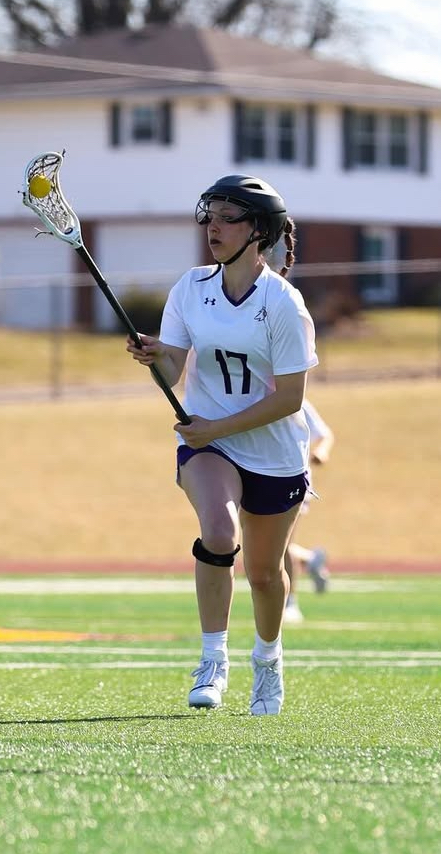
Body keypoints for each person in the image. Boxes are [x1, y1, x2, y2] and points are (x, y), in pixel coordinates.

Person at [127, 174, 318, 714]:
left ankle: (268, 661)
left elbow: (290, 399)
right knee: (217, 532)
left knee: (264, 574)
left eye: (228, 217)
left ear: (257, 231)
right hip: (210, 447)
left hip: (274, 452)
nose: (213, 225)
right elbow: (173, 366)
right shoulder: (191, 287)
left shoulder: (284, 304)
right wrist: (154, 355)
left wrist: (216, 428)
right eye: (209, 214)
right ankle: (213, 661)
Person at [282, 398, 334, 624]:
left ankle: (290, 603)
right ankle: (310, 559)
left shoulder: (296, 398)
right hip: (258, 478)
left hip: (292, 481)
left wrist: (321, 452)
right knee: (268, 546)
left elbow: (324, 434)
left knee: (282, 546)